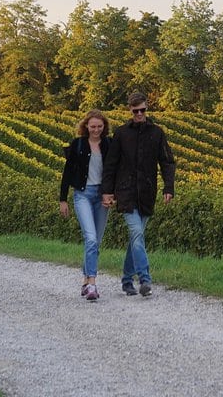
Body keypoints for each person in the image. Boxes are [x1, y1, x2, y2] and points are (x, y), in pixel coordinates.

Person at [101, 91, 175, 296]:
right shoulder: (121, 133)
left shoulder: (157, 133)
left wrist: (169, 187)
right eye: (136, 111)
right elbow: (111, 165)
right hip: (125, 192)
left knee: (137, 237)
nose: (139, 114)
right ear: (130, 110)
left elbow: (167, 162)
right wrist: (107, 191)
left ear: (147, 108)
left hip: (147, 192)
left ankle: (126, 280)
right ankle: (145, 279)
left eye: (142, 110)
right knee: (136, 233)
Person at [58, 108, 112, 301]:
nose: (96, 130)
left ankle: (84, 280)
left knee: (95, 241)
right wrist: (63, 199)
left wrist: (113, 194)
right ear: (86, 127)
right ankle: (92, 283)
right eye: (92, 127)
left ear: (104, 126)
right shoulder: (78, 144)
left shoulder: (109, 144)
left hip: (102, 196)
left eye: (99, 126)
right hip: (82, 195)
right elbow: (67, 173)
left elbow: (114, 171)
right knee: (90, 238)